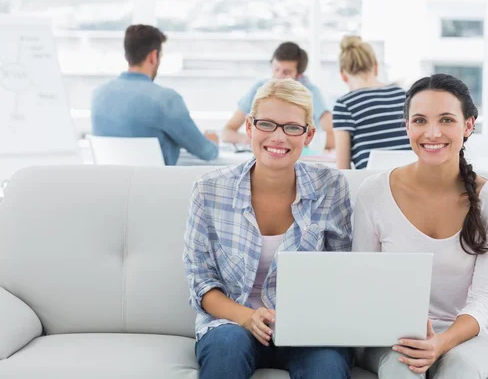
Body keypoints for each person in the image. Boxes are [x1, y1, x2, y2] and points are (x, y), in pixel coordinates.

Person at [184, 78, 353, 379]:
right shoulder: (209, 190)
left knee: (327, 366)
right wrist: (248, 317)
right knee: (226, 351)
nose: (278, 137)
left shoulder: (331, 187)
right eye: (267, 125)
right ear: (249, 128)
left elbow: (343, 272)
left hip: (308, 329)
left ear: (309, 134)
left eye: (291, 127)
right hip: (233, 324)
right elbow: (201, 283)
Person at [352, 74, 488, 378]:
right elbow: (364, 284)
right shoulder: (373, 193)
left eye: (446, 119)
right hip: (390, 335)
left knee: (459, 373)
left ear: (468, 125)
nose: (432, 132)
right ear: (407, 126)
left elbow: (484, 301)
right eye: (419, 120)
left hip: (464, 337)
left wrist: (440, 343)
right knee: (402, 373)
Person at [91, 24, 218, 165]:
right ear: (153, 56)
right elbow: (205, 151)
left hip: (113, 186)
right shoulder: (166, 100)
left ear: (127, 55)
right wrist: (213, 141)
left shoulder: (98, 96)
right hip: (157, 186)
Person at [222, 41, 334, 150]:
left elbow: (333, 138)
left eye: (286, 72)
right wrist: (251, 139)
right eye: (276, 69)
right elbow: (227, 132)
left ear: (299, 74)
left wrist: (297, 141)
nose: (278, 76)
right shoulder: (259, 89)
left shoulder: (311, 93)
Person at [333, 35, 410, 169]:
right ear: (375, 67)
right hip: (413, 181)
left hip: (373, 185)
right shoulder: (405, 95)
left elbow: (343, 169)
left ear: (343, 75)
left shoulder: (344, 105)